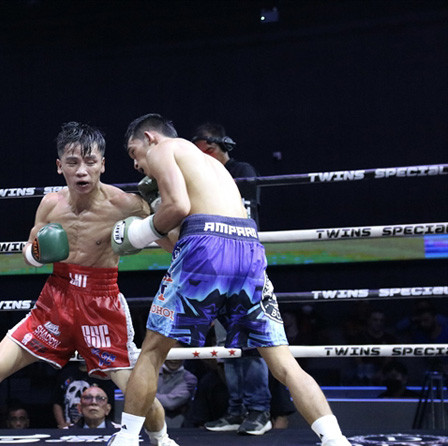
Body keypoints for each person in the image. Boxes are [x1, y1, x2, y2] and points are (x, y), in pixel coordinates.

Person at [0, 122, 176, 446]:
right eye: (73, 162)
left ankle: (163, 440)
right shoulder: (50, 204)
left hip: (101, 304)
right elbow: (29, 254)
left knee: (135, 387)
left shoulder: (126, 204)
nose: (82, 171)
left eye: (90, 162)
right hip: (56, 299)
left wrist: (155, 212)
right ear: (60, 166)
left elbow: (173, 243)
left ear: (102, 164)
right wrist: (36, 253)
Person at [108, 113, 351, 446]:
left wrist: (139, 232)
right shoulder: (213, 168)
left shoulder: (164, 148)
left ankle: (126, 439)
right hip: (247, 248)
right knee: (283, 362)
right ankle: (335, 439)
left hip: (206, 245)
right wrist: (156, 220)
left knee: (152, 352)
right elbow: (183, 241)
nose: (136, 164)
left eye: (134, 153)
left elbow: (178, 208)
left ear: (150, 137)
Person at [192, 122, 274, 435]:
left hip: (243, 264)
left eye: (205, 151)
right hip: (216, 268)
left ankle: (259, 411)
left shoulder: (241, 171)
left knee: (249, 342)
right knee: (228, 346)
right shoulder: (203, 178)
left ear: (216, 147)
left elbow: (244, 217)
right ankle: (236, 410)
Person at [52, 360, 116, 428]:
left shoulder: (103, 375)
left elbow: (109, 402)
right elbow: (57, 401)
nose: (93, 402)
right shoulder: (66, 373)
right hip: (69, 426)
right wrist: (62, 425)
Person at [155, 345, 198, 428]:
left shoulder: (190, 379)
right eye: (172, 354)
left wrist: (145, 396)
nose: (175, 359)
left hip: (175, 425)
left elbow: (170, 403)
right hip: (146, 421)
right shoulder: (151, 372)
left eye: (178, 354)